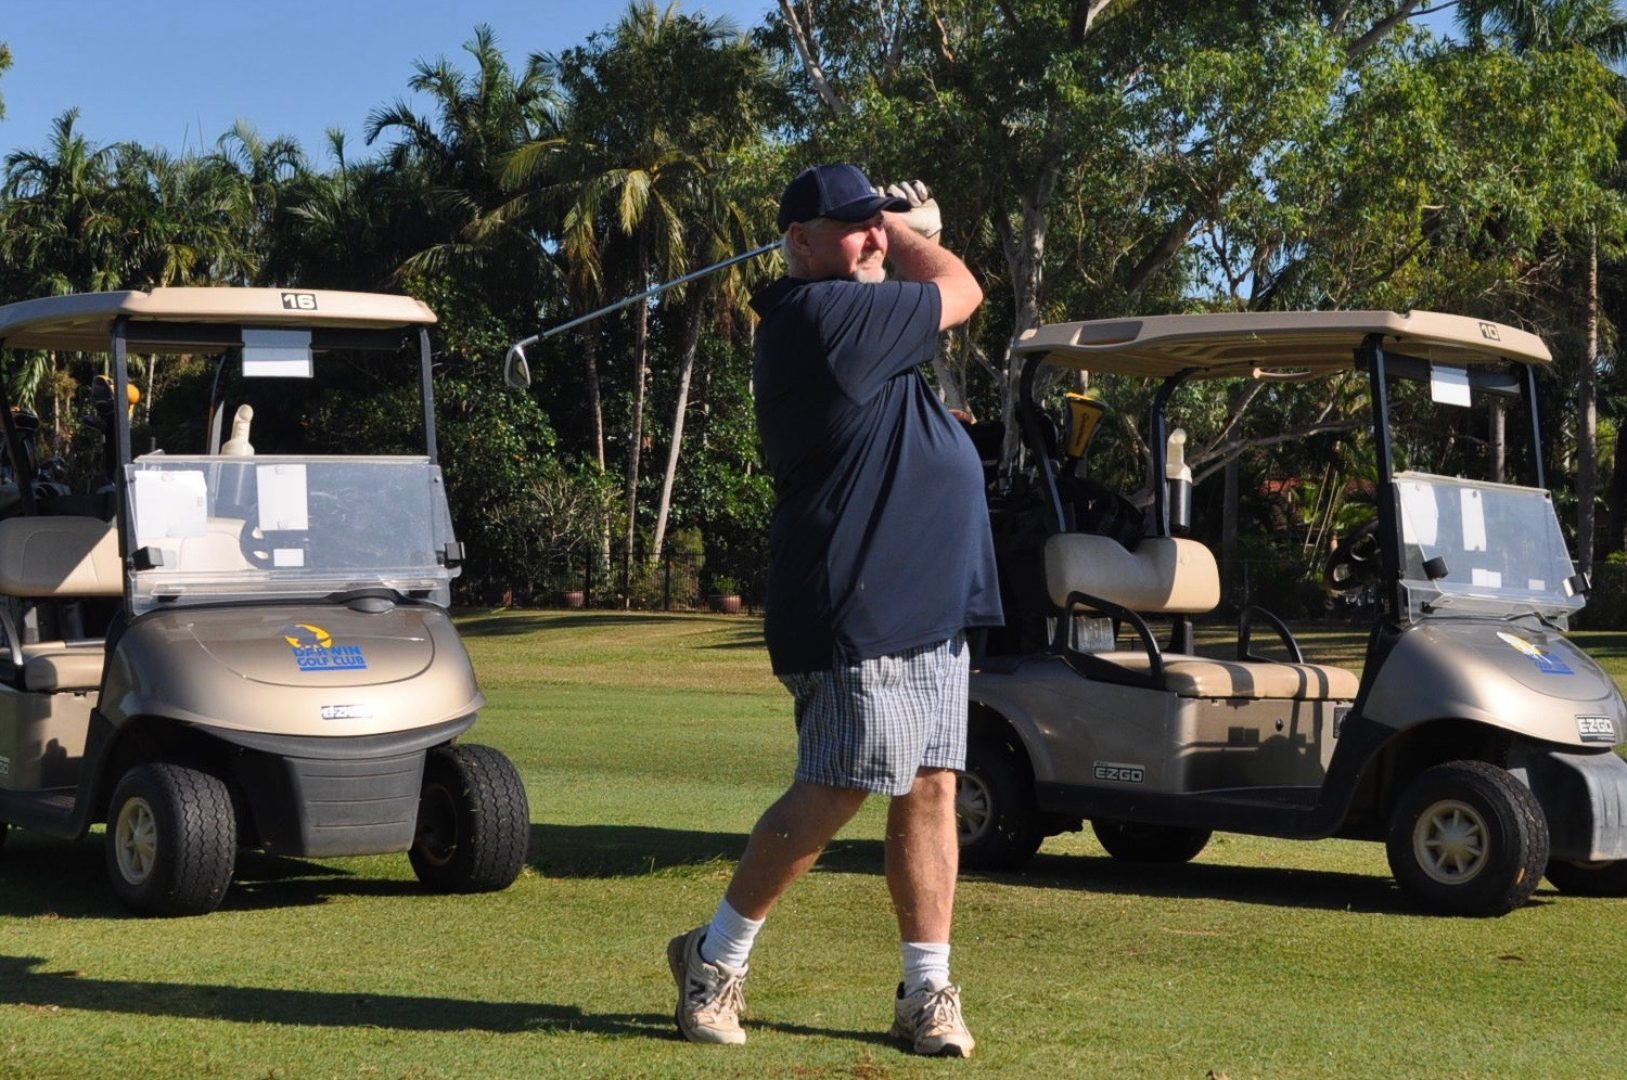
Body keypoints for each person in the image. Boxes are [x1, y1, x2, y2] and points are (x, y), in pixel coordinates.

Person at [667, 163, 1002, 1058]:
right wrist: (915, 233)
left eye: (876, 223)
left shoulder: (862, 313)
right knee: (839, 783)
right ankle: (711, 959)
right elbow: (961, 289)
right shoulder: (819, 314)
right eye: (856, 225)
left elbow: (928, 298)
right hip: (854, 596)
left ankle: (925, 992)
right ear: (800, 241)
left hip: (928, 599)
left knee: (931, 785)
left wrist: (897, 236)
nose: (872, 236)